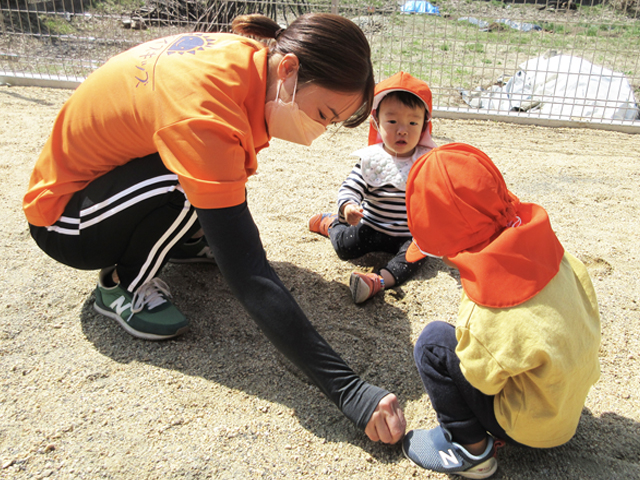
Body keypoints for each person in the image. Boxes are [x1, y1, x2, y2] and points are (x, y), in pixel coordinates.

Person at [23, 13, 406, 444]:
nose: (318, 131)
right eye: (322, 113)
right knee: (186, 181)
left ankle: (180, 238)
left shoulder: (249, 59)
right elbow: (250, 275)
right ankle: (120, 286)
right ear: (290, 69)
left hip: (104, 186)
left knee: (203, 181)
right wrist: (349, 390)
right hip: (66, 220)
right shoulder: (205, 112)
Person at [401, 143, 601, 478]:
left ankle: (471, 452)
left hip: (529, 430)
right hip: (567, 409)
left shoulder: (484, 312)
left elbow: (483, 380)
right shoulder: (557, 255)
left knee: (433, 343)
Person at [308, 71, 436, 303]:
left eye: (412, 122)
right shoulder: (372, 159)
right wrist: (348, 207)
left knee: (417, 256)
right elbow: (352, 186)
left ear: (425, 125)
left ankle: (376, 281)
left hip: (408, 234)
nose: (402, 130)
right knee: (346, 248)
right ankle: (331, 225)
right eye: (393, 121)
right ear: (377, 122)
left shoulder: (429, 161)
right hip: (372, 226)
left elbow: (442, 194)